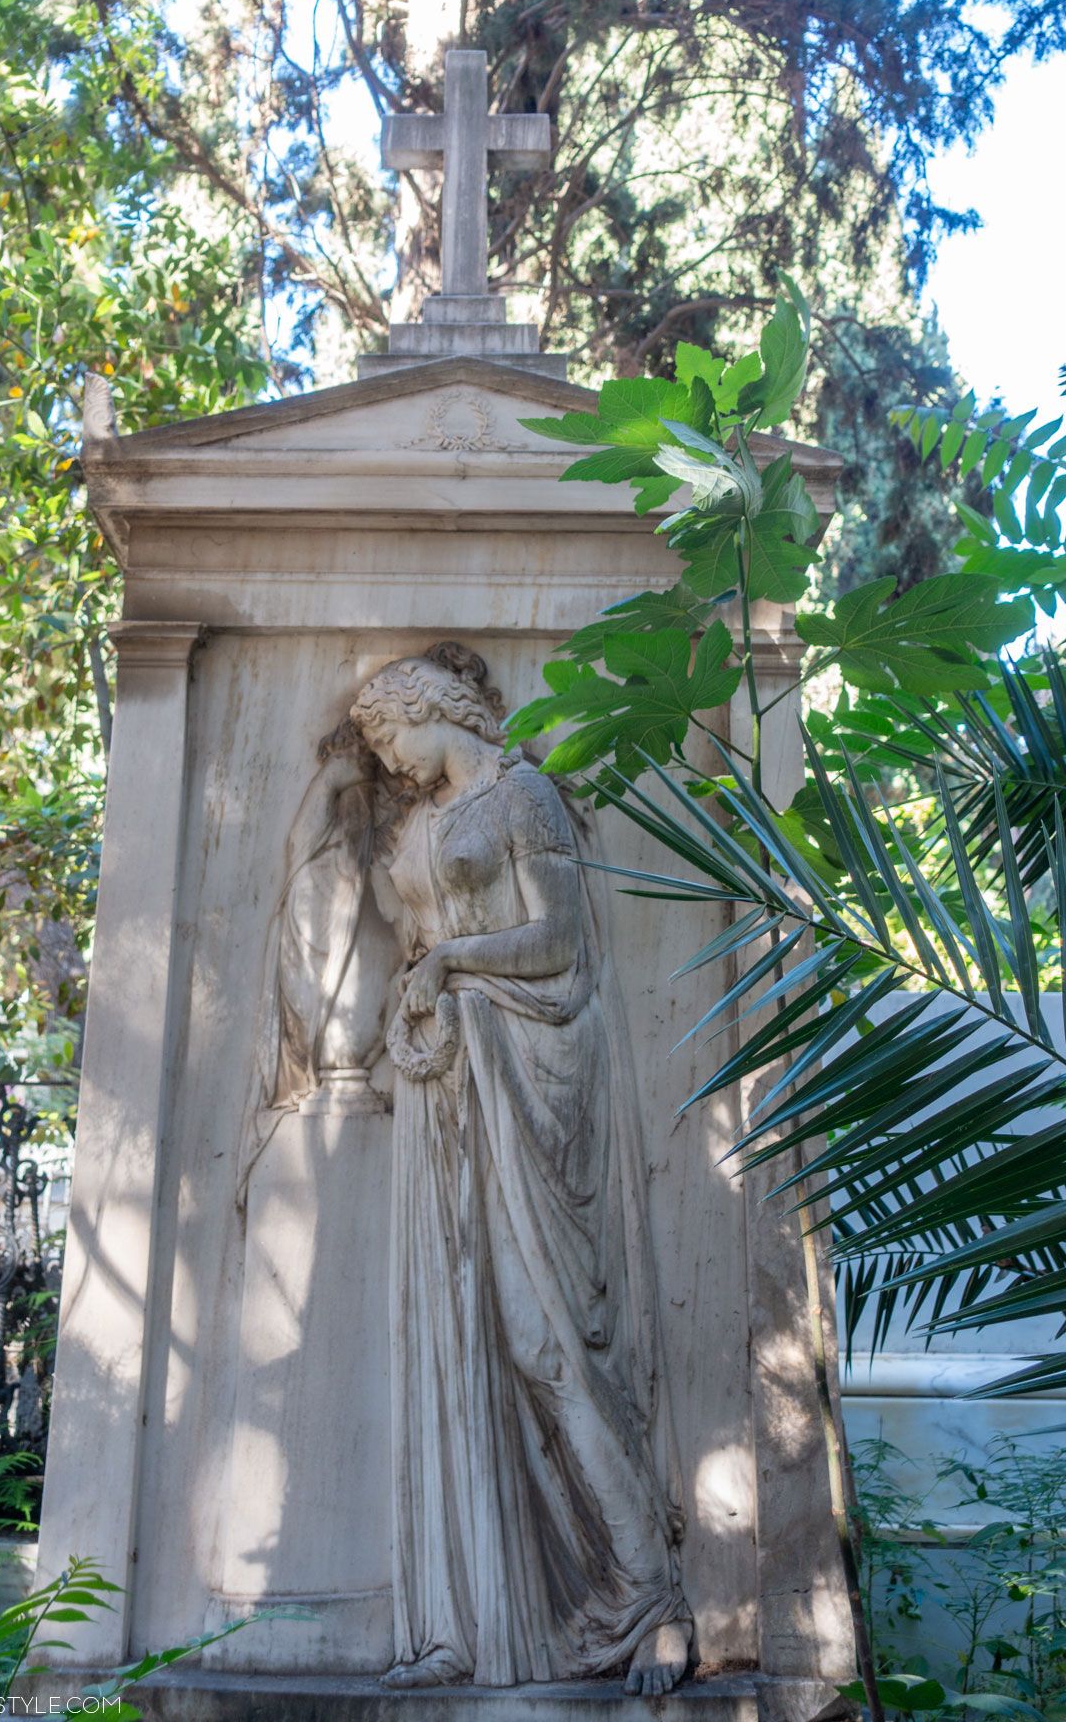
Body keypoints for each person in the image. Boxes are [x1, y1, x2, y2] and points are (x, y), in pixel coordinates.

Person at [349, 647, 694, 1694]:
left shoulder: (526, 796)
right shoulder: (421, 825)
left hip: (538, 1076)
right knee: (464, 1337)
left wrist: (454, 963)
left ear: (432, 708)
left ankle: (653, 1592)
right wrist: (421, 988)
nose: (389, 760)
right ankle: (465, 1621)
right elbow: (420, 944)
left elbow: (561, 941)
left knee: (551, 1345)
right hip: (454, 1087)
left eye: (389, 735)